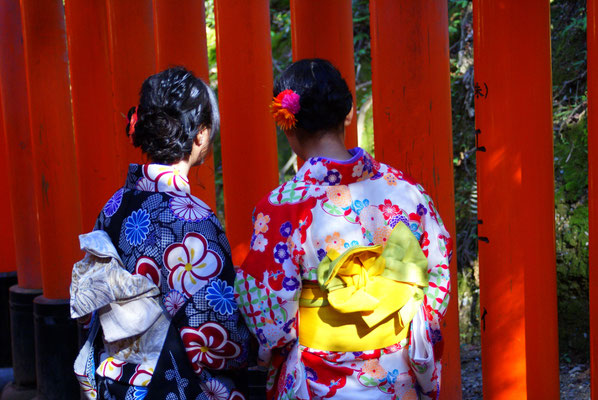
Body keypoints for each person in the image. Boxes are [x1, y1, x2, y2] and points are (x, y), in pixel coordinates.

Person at [235, 59, 452, 400]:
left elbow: (269, 322)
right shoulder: (408, 192)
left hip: (320, 383)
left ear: (287, 125)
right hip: (398, 378)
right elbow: (436, 284)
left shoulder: (279, 209)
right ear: (349, 113)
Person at [70, 67, 250, 400]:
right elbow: (220, 337)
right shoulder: (194, 220)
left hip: (115, 383)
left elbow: (92, 306)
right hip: (170, 385)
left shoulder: (113, 207)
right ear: (200, 135)